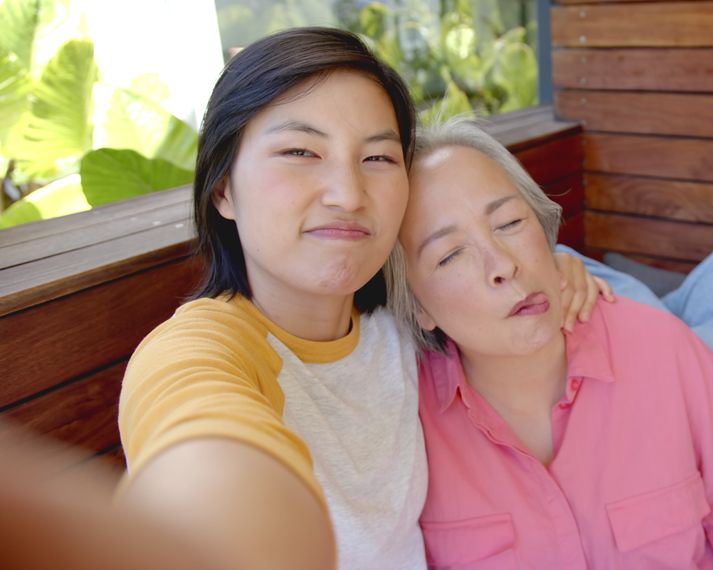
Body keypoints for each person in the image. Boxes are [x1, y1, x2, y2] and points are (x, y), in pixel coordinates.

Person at [110, 26, 607, 570]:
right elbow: (197, 449)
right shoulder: (201, 350)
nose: (347, 195)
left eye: (377, 159)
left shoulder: (405, 321)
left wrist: (561, 268)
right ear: (224, 188)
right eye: (300, 151)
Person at [390, 119, 713, 569]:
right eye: (450, 255)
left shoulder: (666, 350)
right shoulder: (404, 425)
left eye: (509, 223)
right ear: (417, 307)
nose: (503, 265)